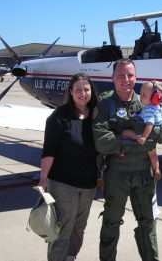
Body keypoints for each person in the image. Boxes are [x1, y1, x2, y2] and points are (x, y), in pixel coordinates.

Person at [92, 59, 162, 261]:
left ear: (136, 77)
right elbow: (101, 139)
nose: (125, 80)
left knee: (148, 223)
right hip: (117, 175)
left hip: (145, 175)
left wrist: (127, 138)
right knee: (111, 222)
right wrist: (141, 143)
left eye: (129, 75)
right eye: (120, 75)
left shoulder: (147, 101)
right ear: (112, 78)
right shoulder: (104, 104)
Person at [39, 73, 99, 261]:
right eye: (78, 90)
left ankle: (70, 257)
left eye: (86, 89)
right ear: (71, 92)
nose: (83, 93)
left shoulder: (97, 116)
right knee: (63, 229)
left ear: (91, 92)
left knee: (78, 228)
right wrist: (43, 179)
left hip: (88, 184)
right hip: (63, 183)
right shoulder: (59, 116)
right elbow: (49, 151)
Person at [121, 80, 162, 181]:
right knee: (153, 154)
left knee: (125, 133)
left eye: (144, 95)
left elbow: (149, 125)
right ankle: (156, 169)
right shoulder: (161, 106)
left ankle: (122, 152)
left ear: (155, 98)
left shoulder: (149, 110)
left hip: (145, 135)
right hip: (153, 140)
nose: (141, 96)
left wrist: (143, 137)